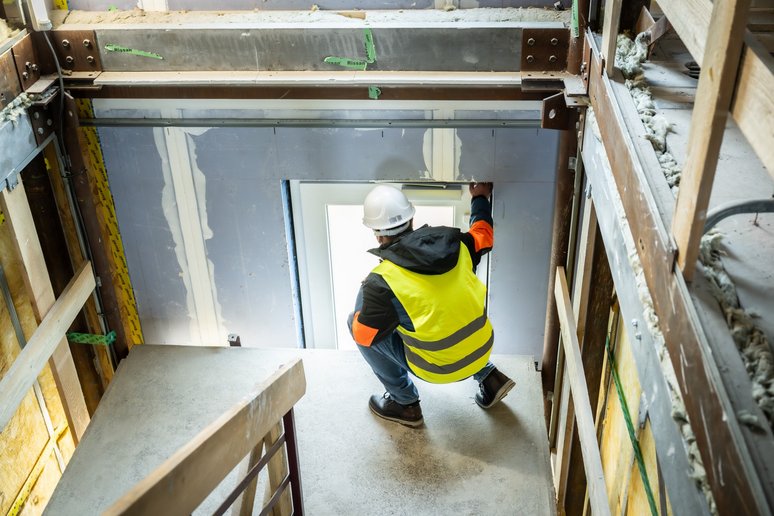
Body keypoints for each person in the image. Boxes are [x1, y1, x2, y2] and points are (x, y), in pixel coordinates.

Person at [347, 183, 515, 427]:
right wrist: (479, 197)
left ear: (377, 233)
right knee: (444, 309)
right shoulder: (458, 244)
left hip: (438, 369)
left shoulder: (382, 281)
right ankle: (489, 376)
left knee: (359, 320)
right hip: (482, 349)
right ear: (411, 218)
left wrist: (368, 290)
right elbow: (484, 233)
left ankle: (405, 404)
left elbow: (363, 335)